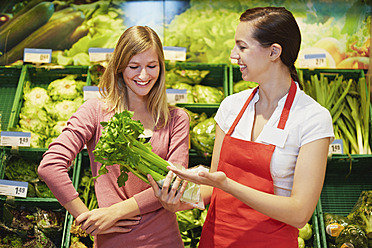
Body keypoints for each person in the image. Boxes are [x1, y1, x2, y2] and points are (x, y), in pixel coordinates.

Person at [149, 7, 334, 248]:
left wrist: (227, 184)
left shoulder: (312, 119)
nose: (233, 55)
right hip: (215, 241)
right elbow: (210, 190)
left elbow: (299, 214)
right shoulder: (231, 107)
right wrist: (177, 201)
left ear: (274, 52)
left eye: (242, 47)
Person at [38, 25, 190, 248]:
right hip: (115, 241)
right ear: (119, 67)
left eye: (152, 66)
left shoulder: (176, 119)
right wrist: (86, 218)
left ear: (161, 67)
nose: (144, 75)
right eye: (134, 66)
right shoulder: (95, 112)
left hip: (165, 239)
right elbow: (50, 166)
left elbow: (173, 184)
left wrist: (116, 211)